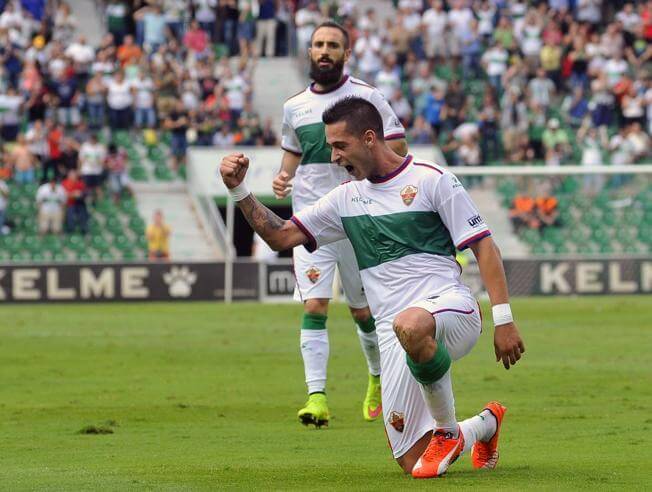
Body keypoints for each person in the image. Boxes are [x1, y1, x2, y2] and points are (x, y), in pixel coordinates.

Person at [220, 96, 525, 478]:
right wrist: (239, 190)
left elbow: (485, 246)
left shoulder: (432, 179)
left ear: (369, 138)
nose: (334, 157)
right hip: (393, 332)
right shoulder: (345, 199)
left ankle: (447, 432)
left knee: (412, 324)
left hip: (451, 309)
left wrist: (504, 320)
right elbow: (281, 236)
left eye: (339, 146)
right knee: (413, 462)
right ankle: (485, 424)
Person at [272, 21, 408, 427]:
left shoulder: (367, 97)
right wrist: (283, 175)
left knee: (363, 312)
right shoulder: (294, 106)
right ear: (310, 52)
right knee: (314, 305)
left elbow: (398, 145)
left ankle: (377, 377)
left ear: (346, 54)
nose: (324, 50)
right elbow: (293, 151)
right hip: (311, 218)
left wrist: (366, 164)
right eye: (318, 44)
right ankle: (316, 397)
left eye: (333, 45)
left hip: (357, 215)